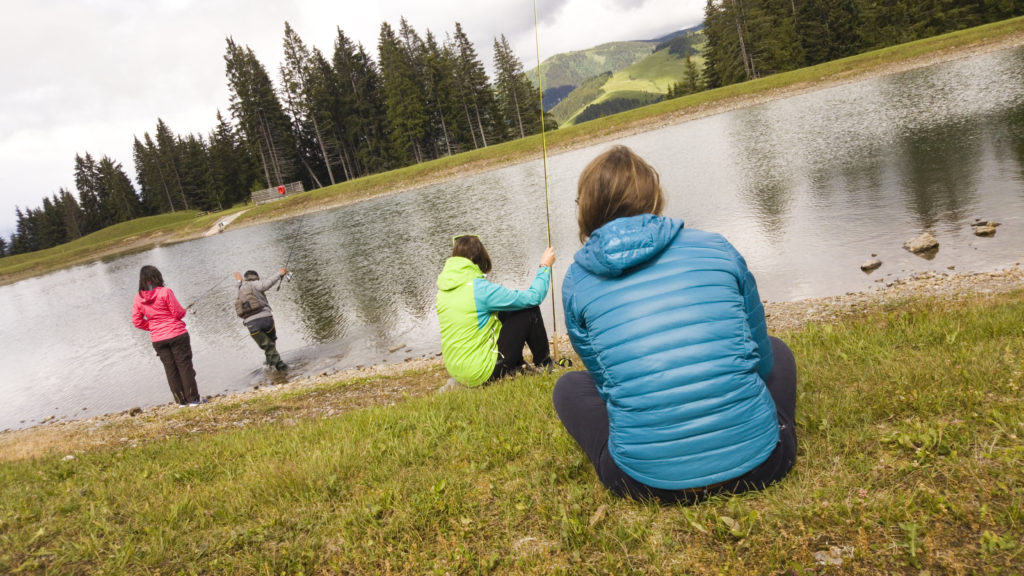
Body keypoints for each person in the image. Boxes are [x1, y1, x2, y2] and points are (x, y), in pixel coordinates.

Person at [553, 145, 798, 503]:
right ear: (654, 196)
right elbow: (762, 361)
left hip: (645, 485)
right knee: (776, 349)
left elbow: (607, 387)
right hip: (764, 464)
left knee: (569, 387)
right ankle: (744, 435)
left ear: (585, 209)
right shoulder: (717, 246)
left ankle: (659, 453)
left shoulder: (577, 280)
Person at [436, 235, 556, 388]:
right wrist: (545, 266)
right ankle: (545, 365)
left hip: (456, 369)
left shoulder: (443, 290)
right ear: (478, 258)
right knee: (528, 310)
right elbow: (534, 297)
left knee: (503, 312)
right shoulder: (480, 289)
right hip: (480, 373)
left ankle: (517, 365)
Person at [131, 265, 203, 406]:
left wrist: (152, 327)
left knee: (171, 370)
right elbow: (178, 313)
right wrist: (182, 311)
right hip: (177, 334)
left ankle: (181, 402)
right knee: (184, 367)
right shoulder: (165, 292)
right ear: (157, 277)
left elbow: (137, 321)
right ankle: (193, 400)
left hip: (158, 339)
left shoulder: (138, 298)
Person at [234, 268, 289, 371]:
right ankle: (282, 368)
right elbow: (266, 284)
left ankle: (270, 367)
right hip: (266, 319)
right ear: (257, 278)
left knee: (268, 346)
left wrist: (238, 281)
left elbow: (237, 289)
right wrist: (279, 273)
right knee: (271, 343)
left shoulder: (239, 289)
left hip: (251, 325)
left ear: (246, 279)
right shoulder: (256, 284)